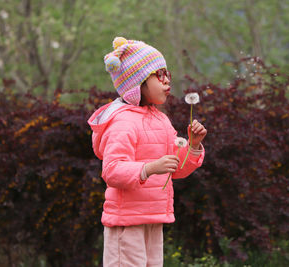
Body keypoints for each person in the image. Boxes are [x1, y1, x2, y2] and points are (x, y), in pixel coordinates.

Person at [87, 37, 207, 267]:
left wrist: (192, 146)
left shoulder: (160, 120)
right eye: (158, 74)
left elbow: (176, 169)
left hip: (153, 217)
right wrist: (150, 168)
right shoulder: (122, 122)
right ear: (137, 81)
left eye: (167, 73)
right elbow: (112, 170)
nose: (166, 80)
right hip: (127, 222)